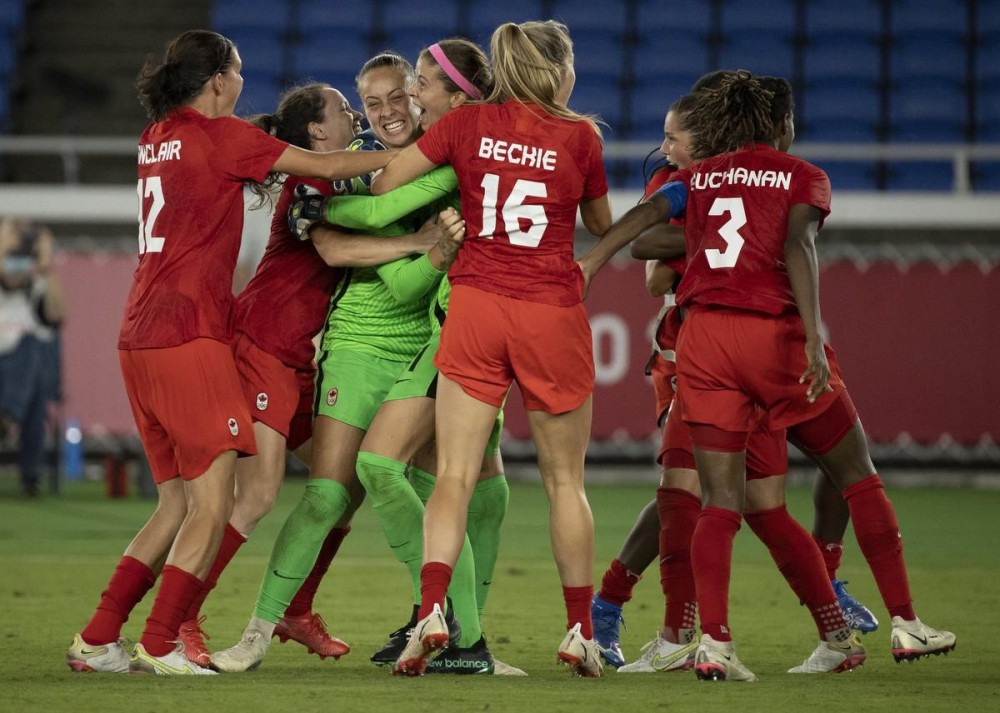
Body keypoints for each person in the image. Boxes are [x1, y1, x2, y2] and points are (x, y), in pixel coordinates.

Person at [592, 70, 956, 681]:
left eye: (674, 136)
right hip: (776, 337)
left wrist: (590, 259)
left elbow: (644, 229)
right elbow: (797, 247)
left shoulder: (694, 178)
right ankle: (904, 621)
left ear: (712, 129)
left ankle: (714, 640)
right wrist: (813, 333)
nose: (669, 147)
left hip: (703, 343)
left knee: (723, 502)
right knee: (853, 476)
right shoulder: (800, 176)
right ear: (780, 125)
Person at [65, 29, 395, 676]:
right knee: (216, 503)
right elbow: (326, 167)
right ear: (218, 80)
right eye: (238, 70)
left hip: (138, 334)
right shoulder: (222, 139)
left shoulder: (156, 138)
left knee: (176, 503)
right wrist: (413, 153)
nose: (244, 81)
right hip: (191, 335)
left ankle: (98, 636)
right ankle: (162, 641)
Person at [174, 81, 449, 668]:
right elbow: (335, 253)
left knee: (342, 488)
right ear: (319, 133)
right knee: (260, 494)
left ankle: (296, 609)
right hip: (265, 346)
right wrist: (419, 242)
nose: (357, 115)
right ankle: (181, 619)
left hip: (298, 359)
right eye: (346, 109)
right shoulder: (310, 184)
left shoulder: (344, 183)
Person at [371, 20, 612, 678]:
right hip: (549, 311)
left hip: (476, 305)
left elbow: (387, 181)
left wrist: (453, 192)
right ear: (559, 72)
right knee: (566, 483)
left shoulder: (467, 124)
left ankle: (430, 612)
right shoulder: (581, 136)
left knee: (451, 475)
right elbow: (598, 225)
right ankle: (580, 630)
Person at [0, 219, 63, 497]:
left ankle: (8, 413)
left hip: (22, 367)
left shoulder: (34, 281)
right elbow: (8, 279)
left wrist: (46, 264)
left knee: (33, 348)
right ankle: (30, 474)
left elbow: (57, 313)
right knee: (33, 371)